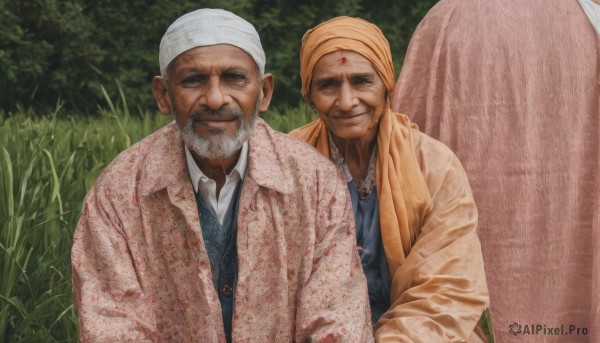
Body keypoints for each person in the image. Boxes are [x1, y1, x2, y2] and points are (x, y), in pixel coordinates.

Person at [71, 9, 373, 342]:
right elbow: (112, 327)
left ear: (265, 91)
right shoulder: (119, 192)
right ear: (163, 94)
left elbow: (337, 321)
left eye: (234, 78)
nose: (215, 98)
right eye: (193, 80)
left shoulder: (315, 183)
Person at [392, 0, 600, 342]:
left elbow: (401, 151)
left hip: (467, 254)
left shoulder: (447, 18)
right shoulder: (589, 22)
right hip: (568, 247)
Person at [289, 16, 489, 342]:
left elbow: (447, 287)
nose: (347, 100)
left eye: (361, 81)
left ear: (387, 85)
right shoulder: (288, 165)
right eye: (327, 85)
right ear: (309, 95)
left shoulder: (434, 166)